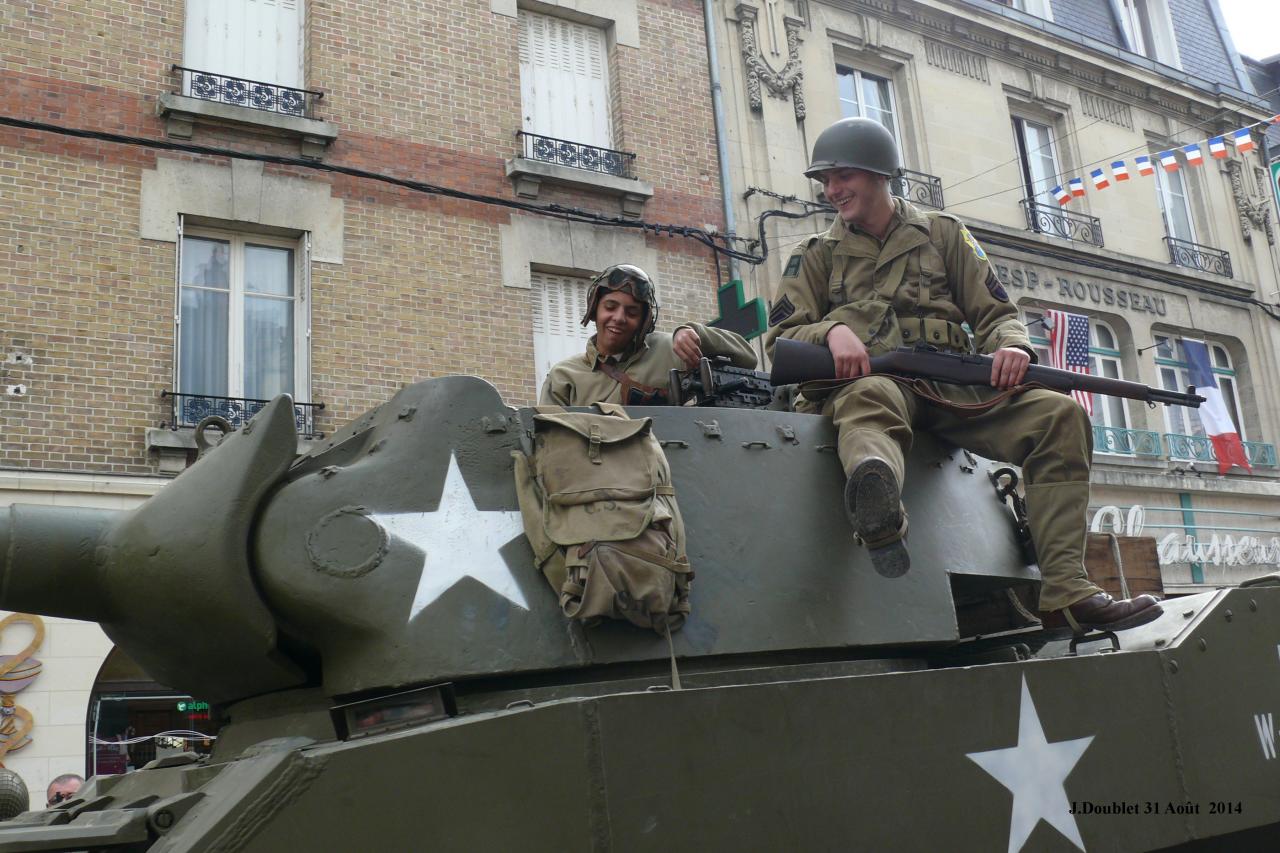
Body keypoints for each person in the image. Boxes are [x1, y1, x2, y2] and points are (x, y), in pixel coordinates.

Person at [764, 117, 1159, 634]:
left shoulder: (944, 234)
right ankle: (878, 507)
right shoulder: (813, 256)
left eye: (843, 177)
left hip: (954, 388)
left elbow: (996, 313)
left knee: (1059, 416)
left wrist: (1012, 347)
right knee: (871, 399)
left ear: (879, 173)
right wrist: (832, 331)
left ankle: (1065, 594)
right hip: (877, 387)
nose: (832, 191)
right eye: (826, 181)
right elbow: (779, 342)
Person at [539, 264, 757, 406]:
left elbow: (748, 356)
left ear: (644, 322)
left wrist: (693, 332)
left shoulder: (669, 350)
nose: (619, 318)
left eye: (632, 312)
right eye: (610, 307)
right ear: (594, 309)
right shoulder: (563, 377)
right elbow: (546, 444)